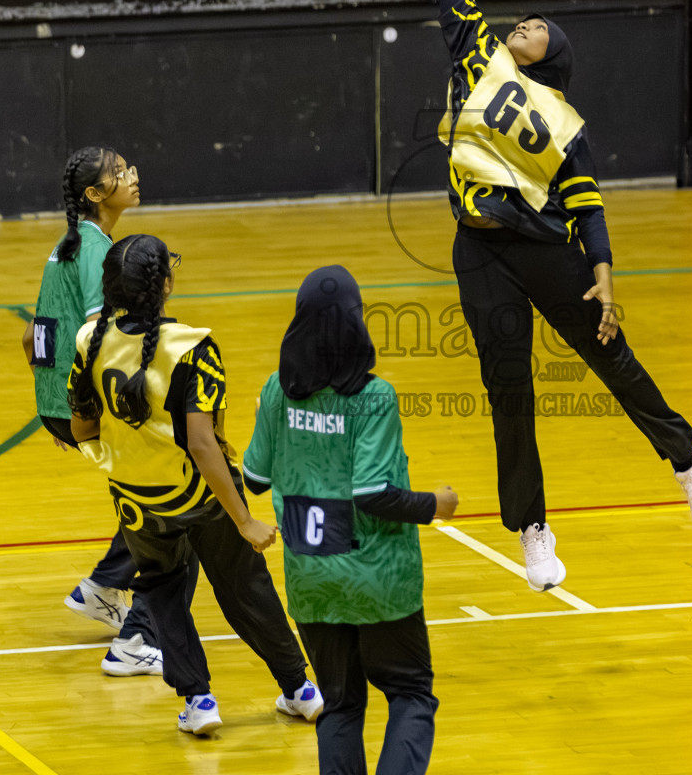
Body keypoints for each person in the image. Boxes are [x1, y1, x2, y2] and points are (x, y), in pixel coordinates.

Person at [401, 0, 692, 593]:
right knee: (507, 390)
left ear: (555, 61)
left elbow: (587, 204)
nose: (526, 25)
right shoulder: (477, 53)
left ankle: (686, 462)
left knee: (612, 360)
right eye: (526, 23)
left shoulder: (566, 123)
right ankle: (533, 530)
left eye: (539, 30)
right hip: (479, 249)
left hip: (546, 250)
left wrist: (604, 279)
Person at [66, 233, 323, 734]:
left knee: (163, 596)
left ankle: (200, 702)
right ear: (163, 285)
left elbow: (80, 428)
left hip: (136, 500)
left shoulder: (89, 340)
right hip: (203, 495)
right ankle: (300, 690)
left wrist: (121, 450)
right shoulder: (194, 346)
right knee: (245, 589)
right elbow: (204, 445)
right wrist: (244, 519)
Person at [243, 265, 456, 775]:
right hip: (377, 575)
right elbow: (373, 493)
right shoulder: (372, 397)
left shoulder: (276, 390)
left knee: (339, 706)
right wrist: (435, 505)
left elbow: (253, 478)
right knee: (410, 693)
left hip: (312, 576)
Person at [23, 146, 180, 677]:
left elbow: (30, 337)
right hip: (80, 401)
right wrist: (84, 407)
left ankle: (104, 588)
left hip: (60, 400)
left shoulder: (67, 245)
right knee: (172, 499)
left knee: (151, 491)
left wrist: (53, 402)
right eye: (119, 173)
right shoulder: (96, 252)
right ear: (94, 194)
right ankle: (135, 636)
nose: (132, 175)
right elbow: (98, 335)